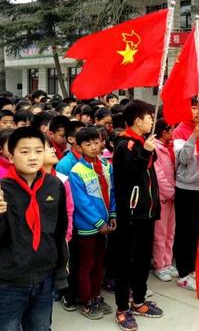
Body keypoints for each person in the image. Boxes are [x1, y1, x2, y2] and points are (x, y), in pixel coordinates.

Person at [0, 127, 68, 331]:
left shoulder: (54, 185)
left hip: (44, 276)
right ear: (10, 156)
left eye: (39, 151)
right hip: (9, 281)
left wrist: (60, 272)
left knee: (40, 326)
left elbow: (59, 231)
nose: (33, 157)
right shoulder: (3, 190)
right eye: (25, 151)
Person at [113, 100, 162, 330]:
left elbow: (150, 174)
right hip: (130, 214)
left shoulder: (143, 142)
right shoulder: (124, 145)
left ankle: (139, 300)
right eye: (149, 117)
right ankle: (123, 308)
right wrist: (146, 151)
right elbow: (132, 173)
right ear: (137, 120)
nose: (152, 121)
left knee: (143, 259)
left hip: (147, 212)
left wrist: (148, 149)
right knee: (126, 261)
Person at [69, 127, 116, 319]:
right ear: (79, 147)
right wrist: (99, 223)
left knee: (99, 264)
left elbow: (112, 192)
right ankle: (85, 300)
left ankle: (96, 295)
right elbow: (81, 202)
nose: (94, 147)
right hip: (88, 227)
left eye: (96, 142)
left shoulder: (106, 165)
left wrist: (113, 214)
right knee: (86, 265)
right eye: (88, 144)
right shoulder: (76, 171)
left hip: (105, 225)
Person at [172, 98, 199, 291]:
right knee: (185, 231)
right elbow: (182, 159)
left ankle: (193, 268)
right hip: (186, 188)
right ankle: (183, 273)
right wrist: (192, 137)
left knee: (196, 231)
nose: (198, 112)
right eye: (194, 107)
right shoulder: (179, 131)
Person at [152, 119, 178, 282]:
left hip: (172, 196)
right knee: (160, 234)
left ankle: (167, 262)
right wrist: (170, 192)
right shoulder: (154, 148)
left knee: (170, 231)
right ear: (164, 132)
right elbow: (159, 177)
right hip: (163, 197)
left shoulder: (169, 147)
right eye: (171, 130)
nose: (173, 133)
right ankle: (159, 265)